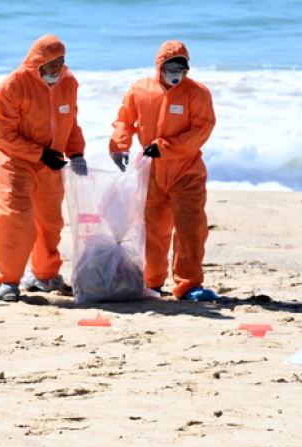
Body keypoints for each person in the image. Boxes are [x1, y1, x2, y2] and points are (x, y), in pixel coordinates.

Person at [0, 34, 87, 302]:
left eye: (61, 63)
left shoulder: (68, 82)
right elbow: (4, 133)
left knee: (50, 222)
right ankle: (4, 281)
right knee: (16, 219)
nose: (58, 69)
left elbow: (70, 120)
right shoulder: (12, 85)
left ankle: (44, 275)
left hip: (50, 163)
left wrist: (76, 152)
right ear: (37, 62)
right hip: (15, 161)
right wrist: (40, 154)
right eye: (52, 64)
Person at [109, 40, 219, 301]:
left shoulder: (197, 92)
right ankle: (152, 282)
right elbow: (124, 120)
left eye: (181, 68)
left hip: (186, 170)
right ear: (160, 67)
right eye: (171, 68)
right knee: (152, 230)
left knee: (191, 229)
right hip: (151, 171)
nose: (176, 73)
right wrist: (119, 146)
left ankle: (189, 284)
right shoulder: (140, 90)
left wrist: (166, 147)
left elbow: (202, 129)